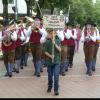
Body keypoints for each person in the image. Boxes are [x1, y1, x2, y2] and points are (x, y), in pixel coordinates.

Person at [44, 29, 61, 95]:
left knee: (56, 75)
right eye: (51, 34)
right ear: (49, 35)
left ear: (56, 34)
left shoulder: (58, 41)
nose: (52, 35)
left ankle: (56, 90)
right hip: (49, 61)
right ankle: (50, 86)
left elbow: (60, 50)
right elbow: (45, 51)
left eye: (54, 33)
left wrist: (55, 44)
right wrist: (50, 56)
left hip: (56, 61)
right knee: (50, 75)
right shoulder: (47, 42)